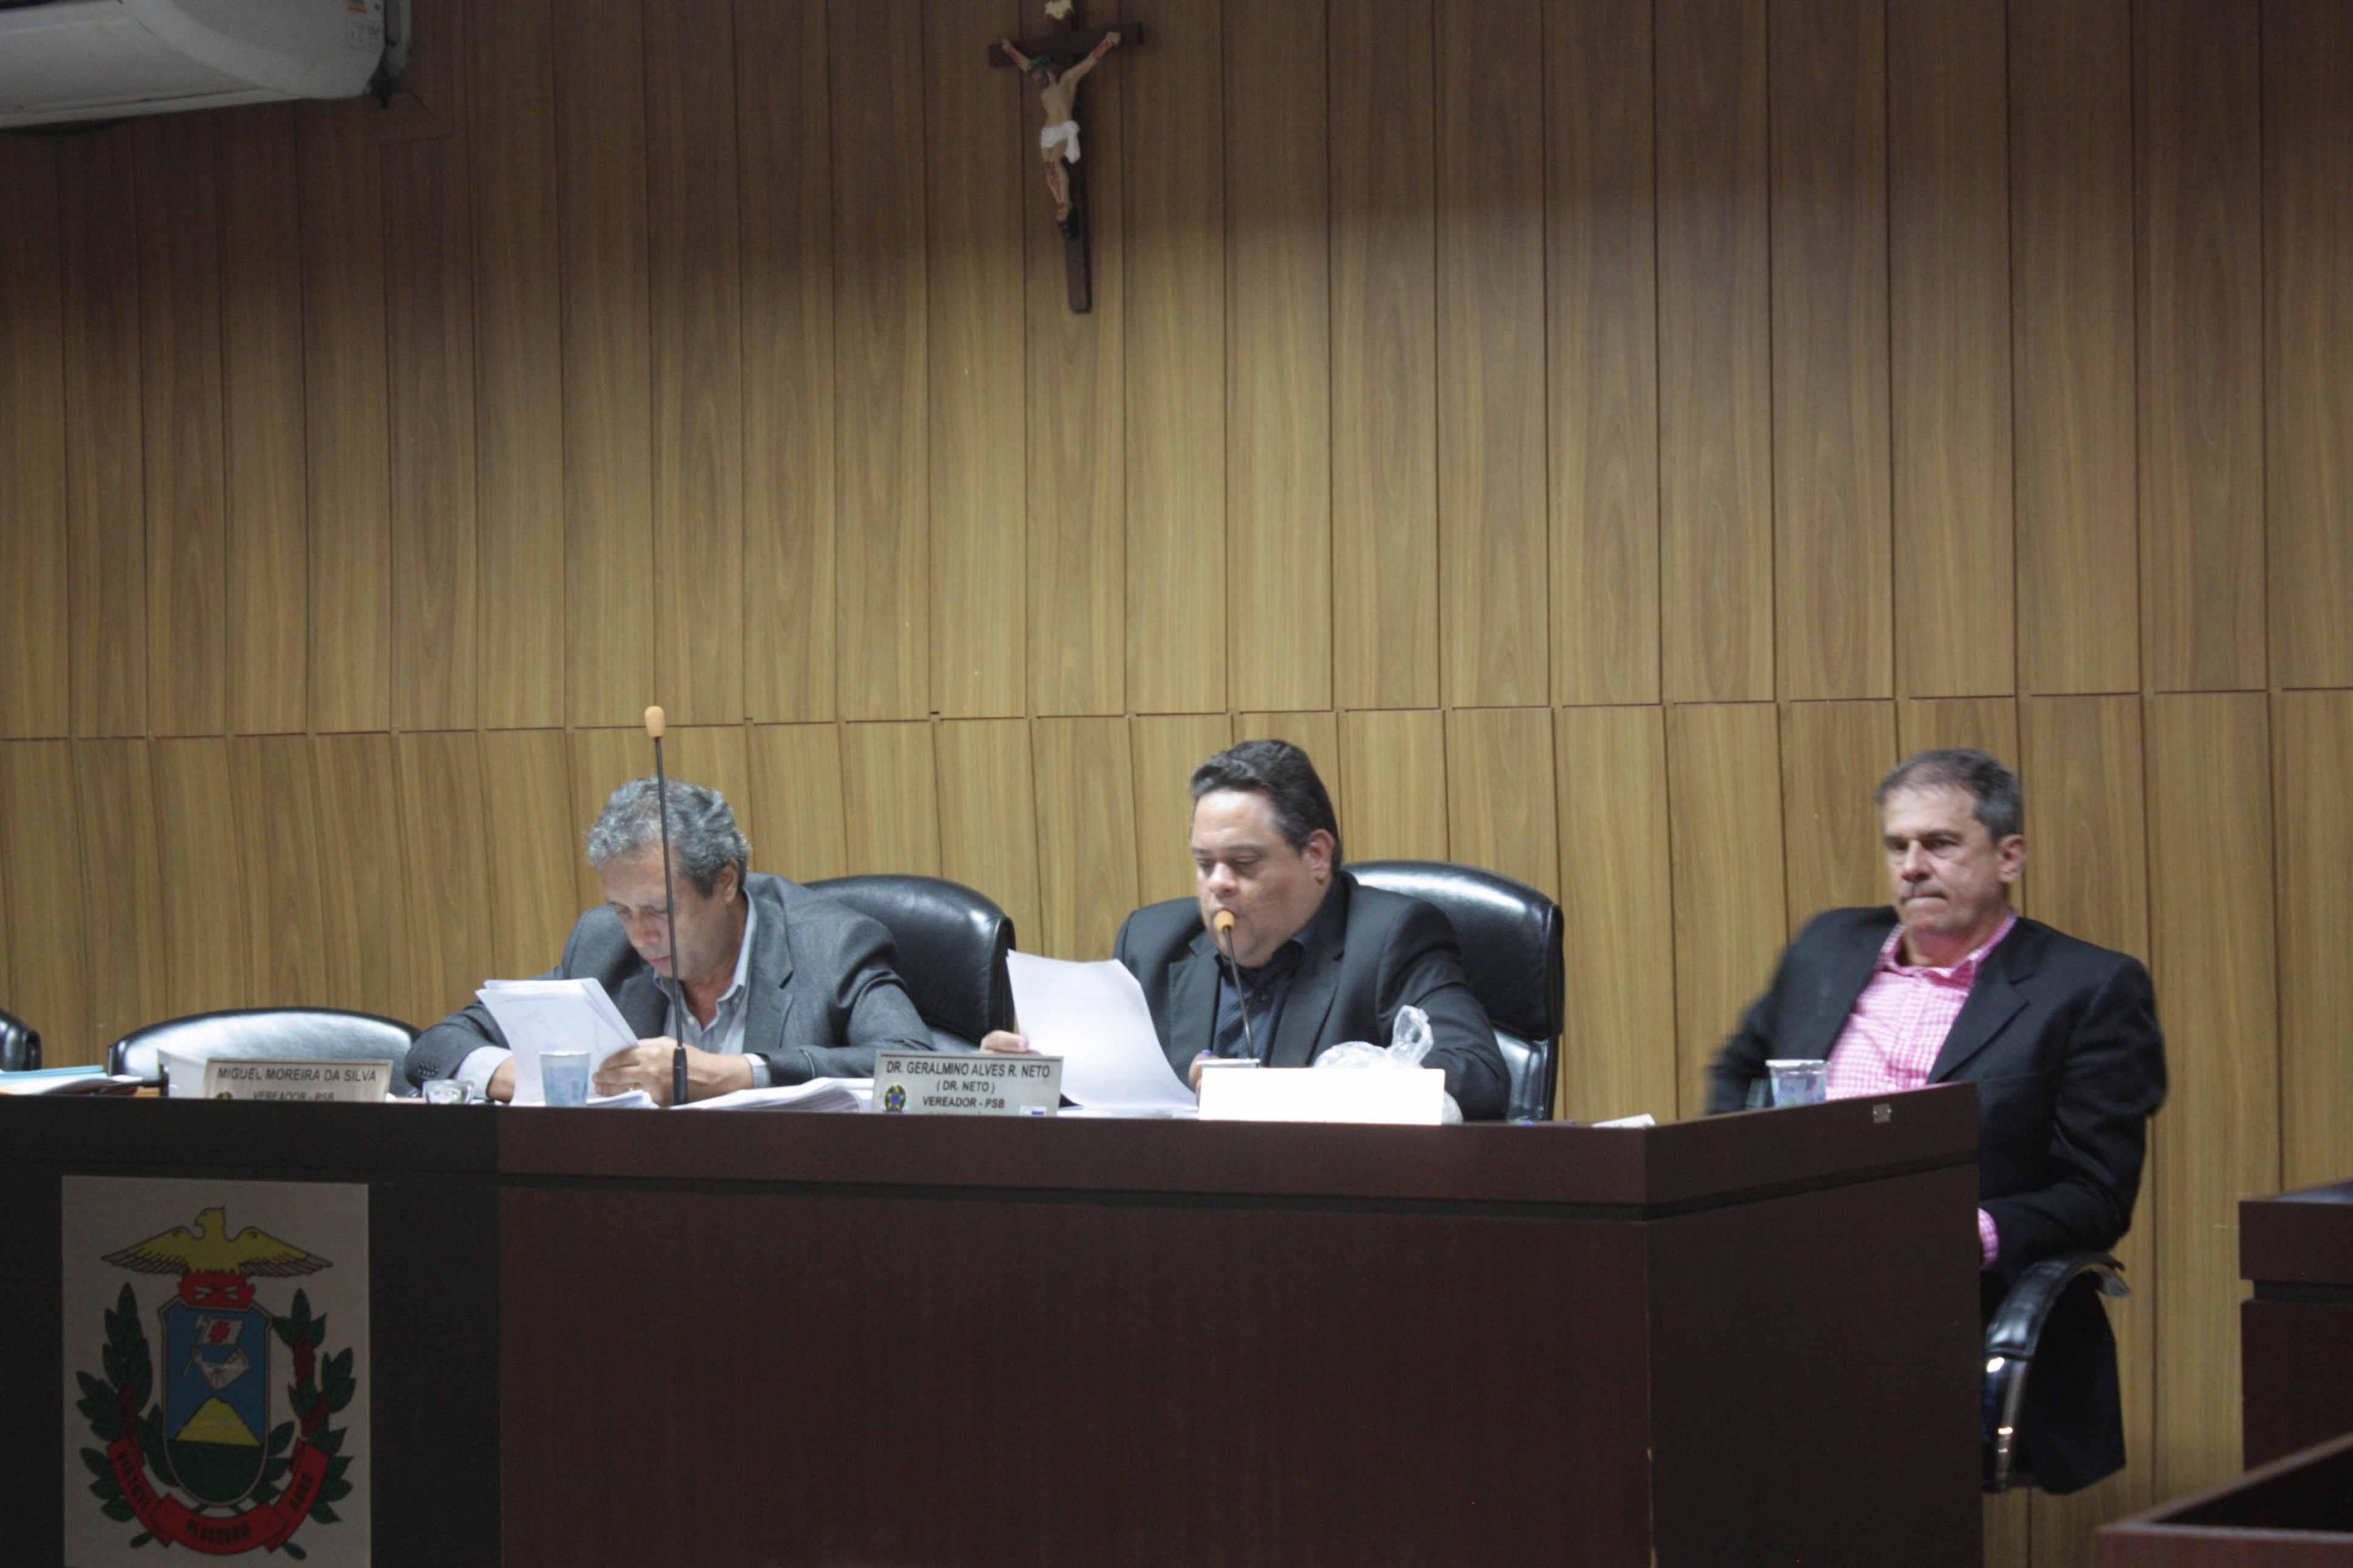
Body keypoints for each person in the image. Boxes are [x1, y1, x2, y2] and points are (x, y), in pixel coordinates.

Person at [1708, 748, 2166, 1494]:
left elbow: (2096, 1193)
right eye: (1897, 846)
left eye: (1940, 843)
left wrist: (1958, 1233)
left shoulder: (2086, 987)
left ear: (2008, 856)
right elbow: (1737, 1072)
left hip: (1948, 1301)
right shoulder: (1828, 947)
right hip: (1790, 1274)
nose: (1912, 867)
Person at [983, 739, 1510, 1120]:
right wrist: (1024, 1077)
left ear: (1316, 855)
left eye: (1244, 862)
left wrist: (1272, 1094)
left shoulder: (1390, 937)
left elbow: (1478, 1076)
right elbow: (1101, 1097)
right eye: (1204, 863)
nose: (1218, 884)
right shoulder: (1152, 940)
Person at [405, 778, 930, 1103]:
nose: (639, 936)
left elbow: (915, 1066)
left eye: (659, 911)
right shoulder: (602, 946)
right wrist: (528, 1078)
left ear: (725, 881)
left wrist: (740, 1074)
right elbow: (436, 1047)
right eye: (623, 910)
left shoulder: (830, 945)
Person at [1000, 31, 1120, 230]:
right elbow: (1026, 66)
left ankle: (1064, 200)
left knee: (1055, 162)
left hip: (1063, 127)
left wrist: (1107, 43)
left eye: (1044, 72)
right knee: (1048, 166)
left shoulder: (1067, 80)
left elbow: (1089, 62)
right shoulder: (1045, 87)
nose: (1042, 74)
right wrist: (1010, 50)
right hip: (1049, 132)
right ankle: (1059, 199)